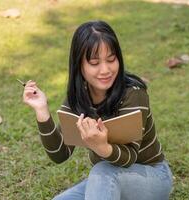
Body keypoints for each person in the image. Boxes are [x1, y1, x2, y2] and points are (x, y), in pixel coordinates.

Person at [22, 20, 173, 200]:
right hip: (107, 178)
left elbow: (130, 157)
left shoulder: (133, 94)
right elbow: (60, 154)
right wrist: (42, 111)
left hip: (152, 178)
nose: (105, 70)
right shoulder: (78, 97)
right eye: (94, 63)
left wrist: (102, 147)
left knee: (102, 171)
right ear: (80, 66)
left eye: (111, 59)